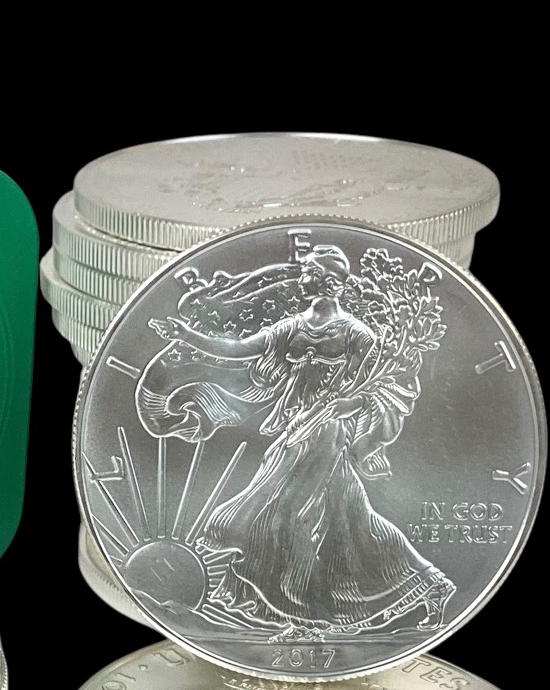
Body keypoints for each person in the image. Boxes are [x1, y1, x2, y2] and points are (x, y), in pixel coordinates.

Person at [147, 245, 453, 638]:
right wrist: (187, 335)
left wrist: (352, 403)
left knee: (285, 515)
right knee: (352, 525)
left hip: (326, 434)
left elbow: (389, 386)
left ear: (328, 281)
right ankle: (430, 585)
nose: (301, 276)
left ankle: (305, 617)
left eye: (308, 271)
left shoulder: (356, 334)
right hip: (296, 429)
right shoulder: (292, 326)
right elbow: (240, 350)